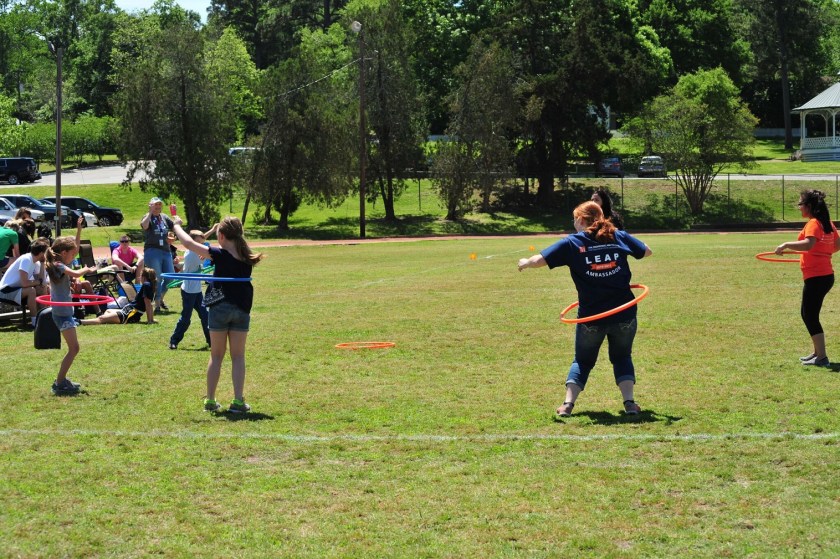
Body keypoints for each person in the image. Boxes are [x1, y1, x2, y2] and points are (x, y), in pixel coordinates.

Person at [518, 201, 652, 418]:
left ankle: (567, 405)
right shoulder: (617, 236)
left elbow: (539, 260)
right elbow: (646, 251)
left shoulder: (572, 242)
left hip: (591, 316)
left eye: (574, 219)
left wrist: (525, 262)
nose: (573, 223)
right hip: (624, 314)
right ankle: (629, 403)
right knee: (622, 357)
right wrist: (624, 242)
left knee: (582, 360)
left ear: (581, 220)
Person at [171, 216, 263, 413]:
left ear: (221, 236)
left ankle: (211, 400)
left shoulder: (219, 254)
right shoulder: (247, 256)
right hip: (241, 308)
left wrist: (176, 225)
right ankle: (238, 401)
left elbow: (188, 243)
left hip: (220, 308)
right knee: (238, 356)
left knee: (216, 355)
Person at [774, 189, 840, 367]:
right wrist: (822, 253)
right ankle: (817, 353)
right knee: (809, 314)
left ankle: (822, 357)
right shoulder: (826, 223)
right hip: (825, 275)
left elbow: (808, 244)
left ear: (809, 206)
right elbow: (836, 245)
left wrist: (786, 245)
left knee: (809, 315)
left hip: (817, 277)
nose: (799, 207)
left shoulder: (813, 223)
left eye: (800, 204)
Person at [45, 234, 97, 395]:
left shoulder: (58, 265)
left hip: (64, 311)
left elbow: (68, 279)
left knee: (74, 348)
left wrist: (71, 285)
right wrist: (86, 269)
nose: (74, 257)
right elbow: (75, 273)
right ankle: (59, 382)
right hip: (62, 313)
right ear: (64, 252)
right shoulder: (58, 265)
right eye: (72, 254)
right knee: (74, 348)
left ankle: (61, 380)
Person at [168, 227, 214, 350]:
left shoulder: (192, 251)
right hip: (189, 291)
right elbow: (210, 256)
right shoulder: (192, 255)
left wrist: (212, 230)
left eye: (201, 243)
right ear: (192, 242)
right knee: (186, 318)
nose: (201, 245)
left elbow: (202, 243)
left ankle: (211, 341)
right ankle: (174, 341)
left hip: (197, 290)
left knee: (205, 315)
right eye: (198, 243)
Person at [80, 267, 157, 325]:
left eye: (140, 276)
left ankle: (80, 321)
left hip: (128, 314)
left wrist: (150, 320)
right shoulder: (149, 285)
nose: (140, 278)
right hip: (128, 310)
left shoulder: (146, 285)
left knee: (101, 318)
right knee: (108, 311)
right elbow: (149, 304)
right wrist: (151, 319)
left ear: (144, 277)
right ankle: (110, 319)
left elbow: (148, 303)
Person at [0, 238, 49, 326]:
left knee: (42, 289)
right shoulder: (26, 259)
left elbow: (42, 282)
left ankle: (43, 318)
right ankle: (35, 322)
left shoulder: (35, 261)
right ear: (41, 253)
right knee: (31, 291)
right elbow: (24, 283)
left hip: (16, 289)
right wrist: (39, 282)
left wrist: (42, 264)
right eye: (46, 252)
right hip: (5, 291)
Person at [140, 197, 174, 313]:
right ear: (150, 205)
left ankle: (160, 298)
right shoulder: (147, 216)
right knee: (157, 278)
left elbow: (174, 227)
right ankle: (157, 304)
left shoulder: (164, 217)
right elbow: (145, 226)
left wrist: (172, 236)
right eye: (155, 205)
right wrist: (150, 212)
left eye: (159, 205)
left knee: (170, 277)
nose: (158, 207)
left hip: (166, 250)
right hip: (152, 251)